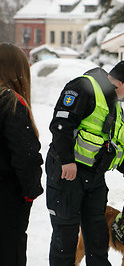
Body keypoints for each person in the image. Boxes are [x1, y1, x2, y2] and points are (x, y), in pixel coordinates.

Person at [46, 60, 124, 265]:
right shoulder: (82, 88)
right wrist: (66, 161)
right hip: (67, 173)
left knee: (98, 236)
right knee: (66, 235)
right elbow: (61, 124)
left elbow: (115, 143)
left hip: (94, 177)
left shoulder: (113, 103)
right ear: (121, 82)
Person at [0, 43, 43, 266]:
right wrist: (31, 190)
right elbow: (25, 154)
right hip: (8, 195)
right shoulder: (11, 102)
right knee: (10, 248)